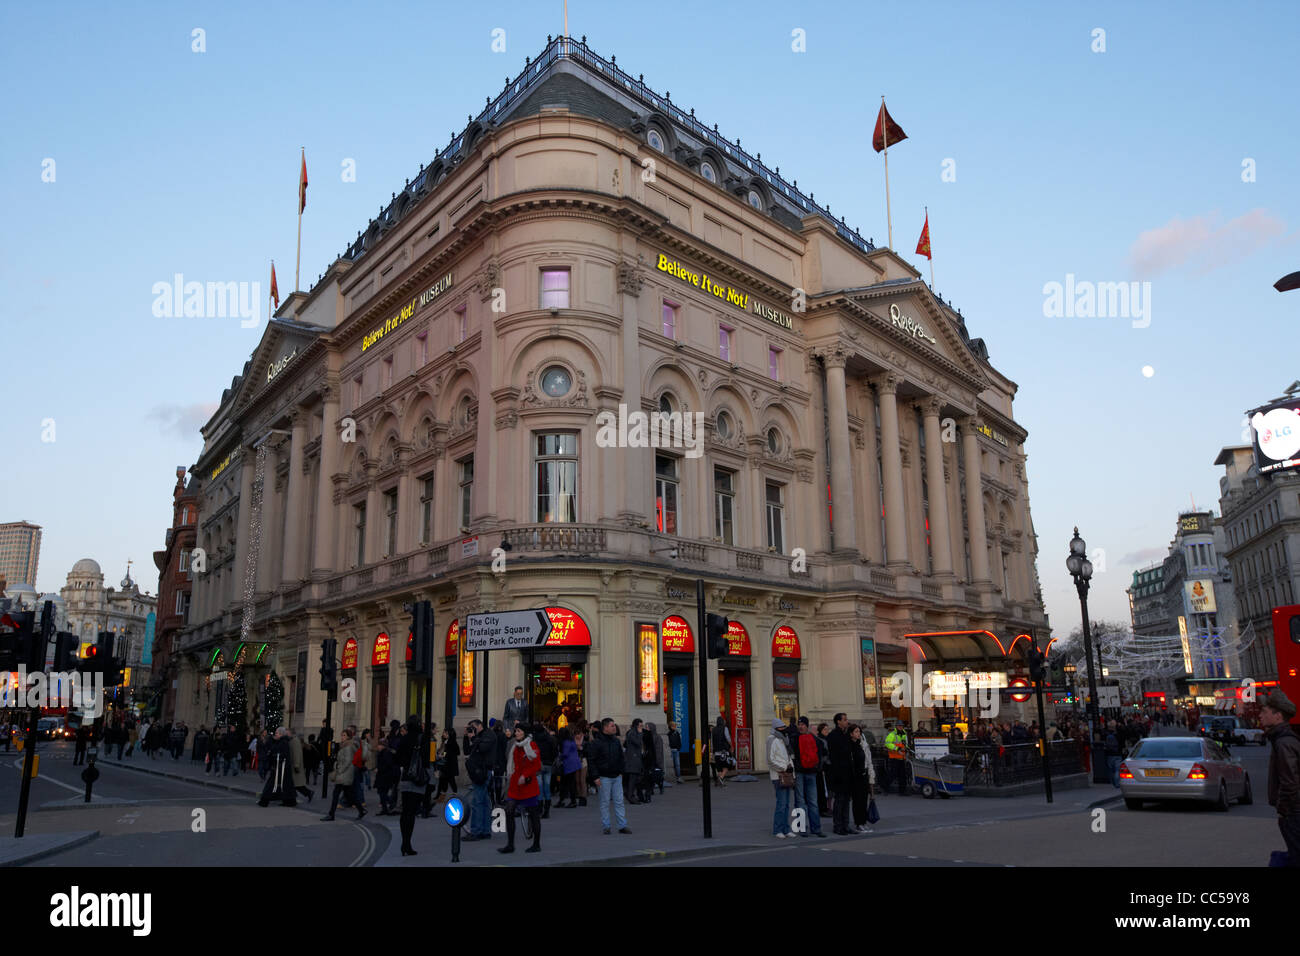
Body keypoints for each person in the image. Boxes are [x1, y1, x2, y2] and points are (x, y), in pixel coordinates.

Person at [1261, 690, 1299, 866]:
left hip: (1293, 812)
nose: (1260, 715)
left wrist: (1283, 810)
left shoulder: (1283, 743)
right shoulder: (1284, 740)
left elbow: (1289, 781)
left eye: (1265, 712)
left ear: (1278, 716)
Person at [499, 723, 543, 854]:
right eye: (516, 731)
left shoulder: (531, 745)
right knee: (509, 810)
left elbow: (536, 765)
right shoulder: (515, 746)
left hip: (528, 784)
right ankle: (510, 844)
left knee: (533, 814)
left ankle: (536, 844)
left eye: (518, 731)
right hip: (515, 784)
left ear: (524, 733)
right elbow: (512, 763)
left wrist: (525, 775)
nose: (516, 733)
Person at [588, 717, 630, 834]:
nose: (614, 727)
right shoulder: (597, 743)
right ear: (605, 727)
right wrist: (595, 777)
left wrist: (621, 771)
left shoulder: (616, 741)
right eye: (612, 725)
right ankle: (606, 826)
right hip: (603, 777)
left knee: (619, 801)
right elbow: (591, 761)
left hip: (616, 776)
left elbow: (621, 757)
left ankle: (622, 825)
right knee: (604, 802)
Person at [788, 716, 826, 838]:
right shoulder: (814, 739)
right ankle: (814, 828)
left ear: (806, 725)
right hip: (809, 772)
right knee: (810, 801)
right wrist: (818, 767)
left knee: (802, 801)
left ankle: (805, 828)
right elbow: (822, 752)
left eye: (802, 724)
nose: (800, 726)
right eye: (799, 724)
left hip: (803, 772)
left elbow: (791, 754)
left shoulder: (794, 738)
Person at [394, 716, 426, 856]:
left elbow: (397, 758)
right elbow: (426, 759)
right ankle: (407, 843)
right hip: (417, 778)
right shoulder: (422, 738)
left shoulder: (404, 739)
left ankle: (404, 842)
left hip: (406, 777)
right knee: (412, 813)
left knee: (405, 811)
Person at [321, 728, 366, 821]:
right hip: (345, 773)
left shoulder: (348, 746)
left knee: (336, 794)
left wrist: (339, 770)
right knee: (350, 795)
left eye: (344, 735)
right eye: (341, 735)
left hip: (345, 773)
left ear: (349, 737)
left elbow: (348, 761)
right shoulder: (344, 745)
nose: (342, 737)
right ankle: (361, 810)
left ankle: (331, 814)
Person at [463, 720, 495, 842]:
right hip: (478, 771)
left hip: (483, 771)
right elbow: (467, 751)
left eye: (473, 727)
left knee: (477, 802)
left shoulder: (489, 735)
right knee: (484, 802)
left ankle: (476, 831)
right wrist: (467, 736)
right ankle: (485, 831)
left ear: (480, 726)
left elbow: (482, 748)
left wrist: (474, 737)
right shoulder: (478, 736)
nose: (472, 729)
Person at [826, 713, 854, 835]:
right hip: (838, 773)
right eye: (844, 720)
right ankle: (838, 826)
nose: (847, 721)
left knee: (846, 800)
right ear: (838, 722)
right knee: (839, 800)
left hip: (847, 772)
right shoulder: (833, 735)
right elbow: (834, 756)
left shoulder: (846, 734)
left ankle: (846, 825)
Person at [768, 719, 796, 838]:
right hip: (778, 775)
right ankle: (777, 829)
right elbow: (770, 760)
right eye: (782, 727)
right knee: (781, 803)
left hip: (788, 773)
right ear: (776, 728)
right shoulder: (772, 739)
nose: (784, 729)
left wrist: (791, 769)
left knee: (786, 804)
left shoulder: (784, 740)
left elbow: (788, 756)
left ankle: (786, 828)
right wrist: (783, 768)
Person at [258, 727, 298, 807]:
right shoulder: (282, 741)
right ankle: (290, 801)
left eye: (277, 733)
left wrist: (273, 755)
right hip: (282, 767)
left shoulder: (283, 742)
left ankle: (264, 801)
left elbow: (278, 753)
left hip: (281, 767)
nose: (275, 734)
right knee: (286, 784)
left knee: (272, 784)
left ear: (281, 734)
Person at [849, 723, 876, 833]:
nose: (858, 733)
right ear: (851, 734)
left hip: (864, 775)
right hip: (855, 776)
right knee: (857, 801)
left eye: (859, 731)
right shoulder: (850, 746)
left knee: (864, 800)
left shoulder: (863, 744)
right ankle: (858, 823)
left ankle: (863, 822)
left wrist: (871, 775)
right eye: (856, 731)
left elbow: (869, 761)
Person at [532, 722, 555, 817]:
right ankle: (547, 810)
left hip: (539, 764)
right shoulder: (549, 738)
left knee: (539, 788)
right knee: (547, 787)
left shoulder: (535, 739)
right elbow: (554, 751)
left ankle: (540, 809)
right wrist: (551, 760)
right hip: (548, 764)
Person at [556, 727, 581, 808]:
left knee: (566, 783)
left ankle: (566, 800)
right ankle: (569, 800)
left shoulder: (566, 742)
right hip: (574, 763)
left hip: (568, 764)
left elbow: (565, 754)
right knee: (570, 783)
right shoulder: (571, 740)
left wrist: (559, 757)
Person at [436, 726, 460, 803]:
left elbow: (450, 752)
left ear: (449, 734)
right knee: (443, 780)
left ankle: (454, 795)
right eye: (444, 732)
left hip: (449, 765)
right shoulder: (446, 741)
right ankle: (441, 796)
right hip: (445, 765)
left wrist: (443, 754)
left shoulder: (452, 742)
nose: (443, 734)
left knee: (450, 780)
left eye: (445, 733)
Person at [623, 718, 645, 804]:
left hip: (635, 758)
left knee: (636, 778)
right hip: (633, 759)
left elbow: (625, 744)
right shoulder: (632, 733)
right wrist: (640, 733)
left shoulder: (632, 732)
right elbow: (637, 742)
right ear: (636, 725)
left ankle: (631, 794)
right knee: (633, 778)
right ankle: (630, 796)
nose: (641, 728)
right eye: (640, 726)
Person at [884, 721, 908, 795]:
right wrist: (897, 749)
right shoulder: (892, 734)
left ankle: (902, 791)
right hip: (894, 757)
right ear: (896, 726)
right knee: (892, 775)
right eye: (899, 726)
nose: (901, 727)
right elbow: (887, 744)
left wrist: (905, 749)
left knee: (903, 775)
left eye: (902, 726)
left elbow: (905, 744)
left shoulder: (904, 734)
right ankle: (885, 788)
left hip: (902, 757)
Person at [711, 716, 732, 787]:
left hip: (716, 752)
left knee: (719, 768)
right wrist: (731, 746)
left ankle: (721, 782)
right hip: (724, 751)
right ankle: (720, 778)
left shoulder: (713, 729)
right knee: (726, 766)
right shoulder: (725, 728)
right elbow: (728, 738)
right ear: (722, 721)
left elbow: (712, 741)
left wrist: (712, 750)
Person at [647, 722, 667, 792]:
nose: (646, 729)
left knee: (657, 775)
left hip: (655, 759)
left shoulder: (657, 737)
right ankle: (651, 789)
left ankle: (660, 786)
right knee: (650, 775)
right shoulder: (647, 736)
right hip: (649, 759)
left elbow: (659, 750)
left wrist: (657, 760)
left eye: (647, 727)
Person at [1104, 721, 1122, 787]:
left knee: (1111, 769)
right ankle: (1117, 783)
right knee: (1117, 769)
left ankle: (1113, 782)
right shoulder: (1117, 734)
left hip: (1110, 754)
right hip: (1117, 753)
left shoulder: (1107, 735)